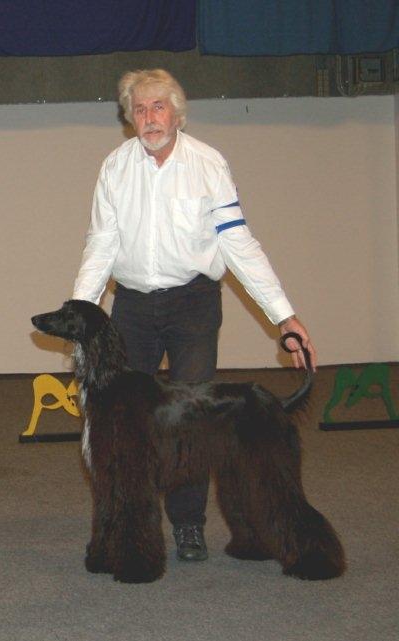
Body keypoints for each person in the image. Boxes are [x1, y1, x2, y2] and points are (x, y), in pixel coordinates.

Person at [71, 69, 316, 562]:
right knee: (125, 433)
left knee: (195, 426)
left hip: (193, 305)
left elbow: (237, 243)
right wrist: (81, 316)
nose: (148, 118)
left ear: (177, 112)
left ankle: (188, 527)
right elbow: (101, 245)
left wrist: (283, 316)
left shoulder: (208, 164)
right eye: (138, 110)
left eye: (157, 107)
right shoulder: (115, 168)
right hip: (133, 307)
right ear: (129, 118)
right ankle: (123, 534)